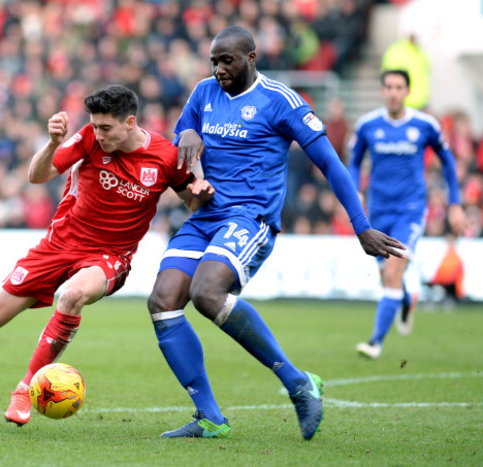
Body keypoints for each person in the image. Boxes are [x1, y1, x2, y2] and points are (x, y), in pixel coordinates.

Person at [147, 26, 405, 441]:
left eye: (227, 60)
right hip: (205, 216)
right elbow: (181, 148)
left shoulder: (281, 101)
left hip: (250, 219)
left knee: (206, 293)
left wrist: (361, 226)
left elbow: (329, 163)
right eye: (213, 61)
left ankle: (298, 383)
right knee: (162, 301)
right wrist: (186, 139)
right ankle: (209, 417)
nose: (218, 69)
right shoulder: (202, 94)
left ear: (251, 58)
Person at [0, 85, 215, 426]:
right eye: (95, 126)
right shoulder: (87, 139)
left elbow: (192, 202)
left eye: (106, 128)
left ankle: (26, 388)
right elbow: (37, 176)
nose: (98, 135)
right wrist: (53, 143)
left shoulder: (165, 156)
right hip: (58, 246)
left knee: (72, 295)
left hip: (109, 256)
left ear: (130, 123)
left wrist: (201, 193)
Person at [349, 70, 466, 359]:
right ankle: (405, 300)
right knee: (386, 276)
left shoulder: (424, 125)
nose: (392, 92)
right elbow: (353, 162)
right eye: (388, 86)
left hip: (410, 211)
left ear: (407, 92)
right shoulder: (368, 126)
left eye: (398, 87)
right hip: (377, 211)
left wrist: (454, 203)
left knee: (392, 270)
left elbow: (448, 163)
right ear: (381, 91)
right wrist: (355, 191)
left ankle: (375, 342)